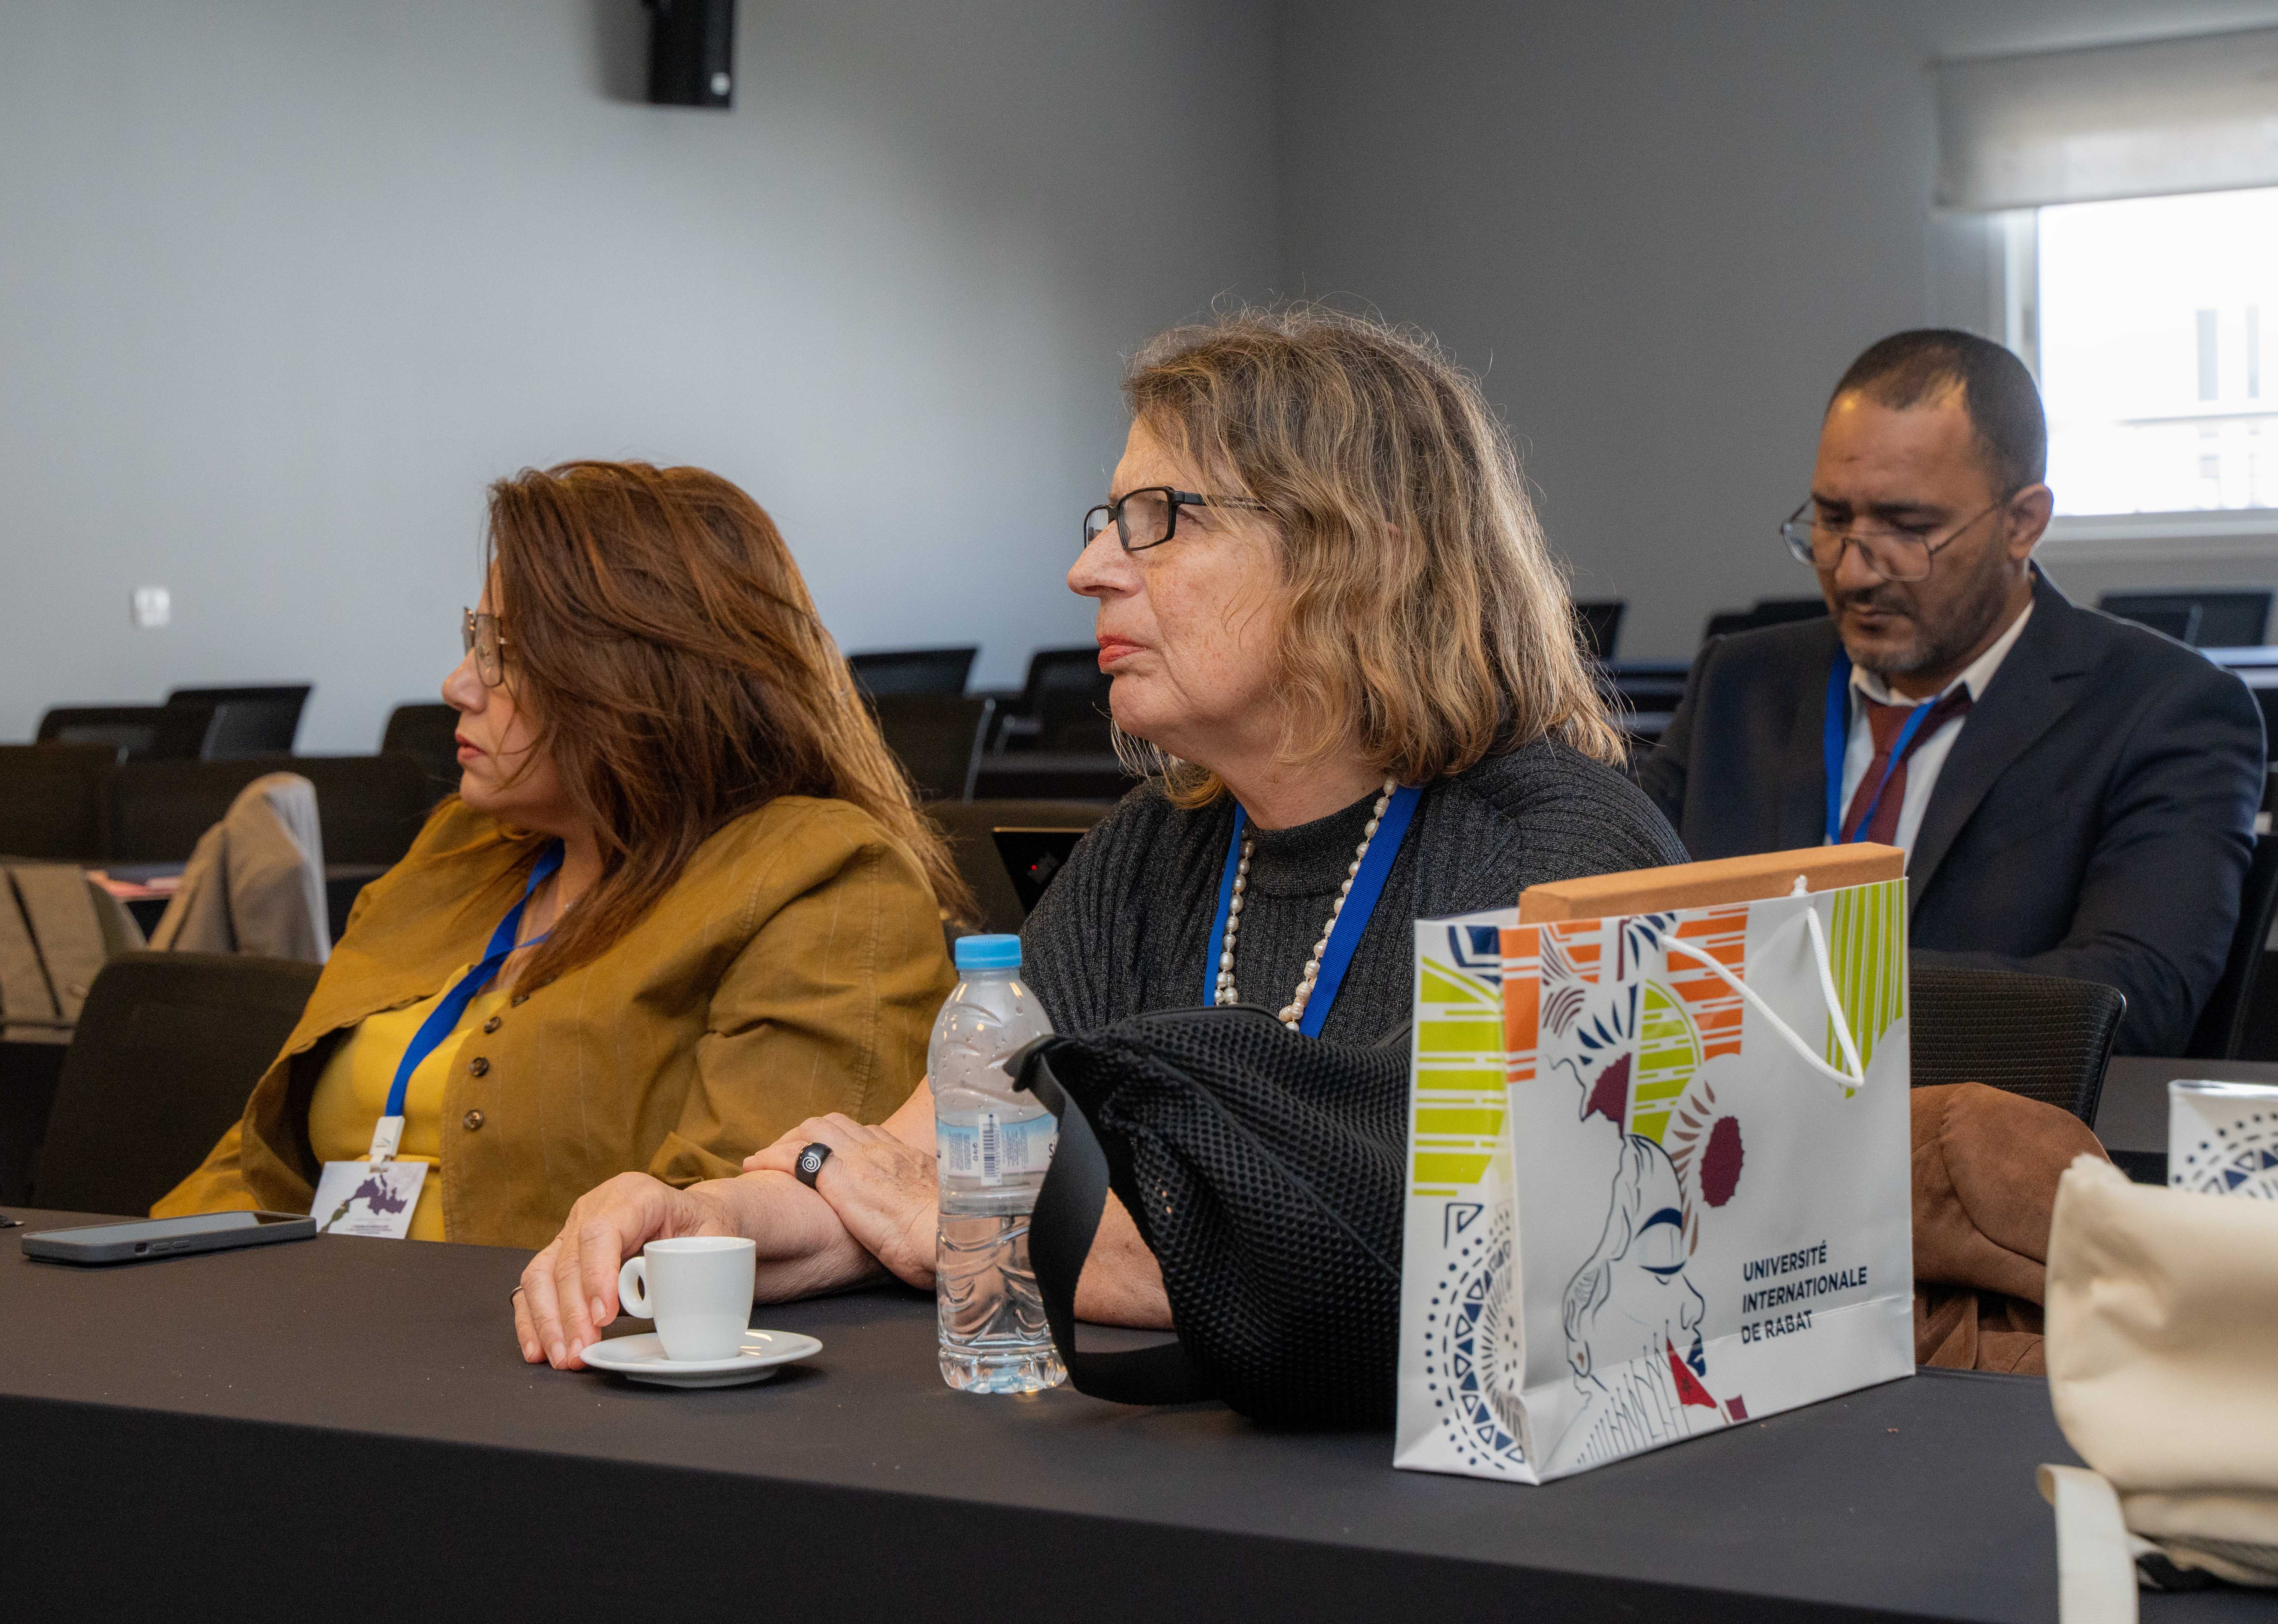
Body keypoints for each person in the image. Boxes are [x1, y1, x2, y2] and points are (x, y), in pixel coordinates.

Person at [512, 306, 1688, 1369]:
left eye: (1155, 521)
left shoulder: (1559, 849)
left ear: (1356, 555)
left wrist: (960, 1219)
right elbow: (914, 1169)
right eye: (1106, 523)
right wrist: (707, 1219)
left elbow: (1445, 1262)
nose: (1086, 572)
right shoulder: (1149, 850)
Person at [155, 460, 964, 1246]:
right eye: (474, 640)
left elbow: (721, 1232)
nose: (457, 685)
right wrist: (144, 1273)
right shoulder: (462, 848)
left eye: (502, 652)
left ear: (631, 679)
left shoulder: (825, 880)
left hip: (553, 1330)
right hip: (311, 1309)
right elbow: (260, 1160)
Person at [1640, 330, 2264, 1056]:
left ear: (2021, 524)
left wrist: (1792, 989)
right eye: (1832, 521)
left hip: (1969, 1116)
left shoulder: (2163, 710)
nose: (1852, 573)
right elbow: (1604, 912)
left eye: (1908, 529)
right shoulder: (1739, 682)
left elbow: (2132, 995)